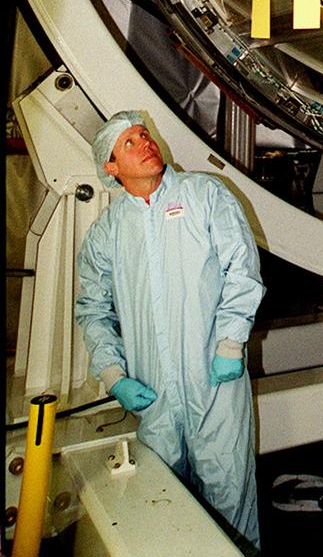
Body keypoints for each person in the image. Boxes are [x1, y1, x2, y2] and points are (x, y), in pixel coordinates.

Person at [75, 111, 264, 550]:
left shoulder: (204, 195)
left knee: (230, 498)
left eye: (144, 135)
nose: (145, 143)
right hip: (153, 391)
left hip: (214, 382)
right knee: (163, 501)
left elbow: (242, 271)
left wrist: (230, 342)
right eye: (129, 143)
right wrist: (112, 376)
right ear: (110, 168)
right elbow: (91, 307)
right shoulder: (108, 232)